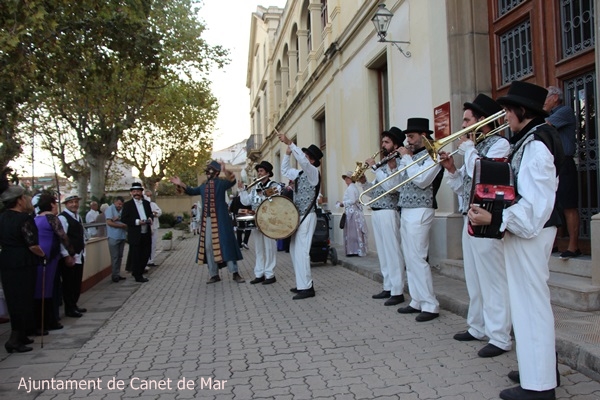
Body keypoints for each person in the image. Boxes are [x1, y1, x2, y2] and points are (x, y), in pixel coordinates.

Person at [469, 81, 564, 400]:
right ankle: (538, 369)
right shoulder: (529, 140)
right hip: (526, 231)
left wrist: (496, 219)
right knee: (527, 302)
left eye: (509, 109)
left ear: (523, 111)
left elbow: (536, 207)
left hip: (532, 231)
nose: (505, 115)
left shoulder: (537, 144)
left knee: (530, 303)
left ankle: (540, 387)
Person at [439, 94, 512, 358]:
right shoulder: (476, 147)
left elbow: (482, 173)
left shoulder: (499, 144)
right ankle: (478, 326)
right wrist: (451, 171)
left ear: (482, 121)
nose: (462, 126)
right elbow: (466, 187)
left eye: (467, 121)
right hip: (469, 216)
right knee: (474, 278)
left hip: (489, 220)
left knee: (493, 280)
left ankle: (500, 337)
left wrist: (469, 150)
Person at [395, 118, 443, 322]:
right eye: (407, 137)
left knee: (418, 257)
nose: (408, 141)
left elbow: (422, 180)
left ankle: (430, 304)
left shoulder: (434, 155)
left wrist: (406, 159)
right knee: (409, 257)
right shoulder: (412, 157)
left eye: (412, 137)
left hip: (421, 209)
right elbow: (400, 183)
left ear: (424, 136)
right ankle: (417, 300)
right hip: (406, 208)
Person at [170, 161, 245, 284]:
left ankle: (235, 273)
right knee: (209, 247)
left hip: (222, 219)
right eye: (207, 170)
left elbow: (232, 181)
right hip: (207, 220)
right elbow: (191, 190)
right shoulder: (203, 186)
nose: (207, 173)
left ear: (215, 172)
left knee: (227, 244)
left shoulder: (221, 183)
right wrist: (180, 183)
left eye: (210, 170)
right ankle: (214, 274)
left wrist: (225, 170)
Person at [360, 128, 406, 307]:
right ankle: (388, 285)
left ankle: (398, 290)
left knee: (393, 251)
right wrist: (364, 182)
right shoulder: (386, 163)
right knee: (384, 252)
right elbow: (375, 191)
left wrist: (374, 167)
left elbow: (392, 186)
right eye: (383, 142)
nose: (383, 145)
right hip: (377, 210)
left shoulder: (399, 161)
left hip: (389, 211)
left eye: (387, 142)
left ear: (395, 144)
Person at [0, 173, 45, 353]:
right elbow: (32, 244)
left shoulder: (1, 218)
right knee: (23, 299)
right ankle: (14, 339)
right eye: (25, 197)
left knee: (14, 299)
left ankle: (22, 335)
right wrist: (43, 254)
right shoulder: (24, 219)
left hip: (6, 261)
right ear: (19, 201)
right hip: (22, 262)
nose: (27, 200)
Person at [277, 131, 323, 300]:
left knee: (302, 251)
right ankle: (301, 283)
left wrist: (290, 142)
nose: (303, 157)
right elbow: (285, 170)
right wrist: (287, 154)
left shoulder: (312, 172)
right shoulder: (300, 174)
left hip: (307, 215)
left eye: (306, 155)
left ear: (311, 160)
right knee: (295, 250)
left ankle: (307, 287)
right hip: (298, 217)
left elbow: (302, 161)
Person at [544, 85, 580, 259]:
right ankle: (555, 243)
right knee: (554, 205)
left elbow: (545, 126)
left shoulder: (564, 111)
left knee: (568, 205)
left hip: (565, 163)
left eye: (546, 98)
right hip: (553, 164)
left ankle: (573, 246)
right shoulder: (549, 114)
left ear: (555, 98)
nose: (544, 102)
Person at [32, 193, 73, 332]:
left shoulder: (36, 218)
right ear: (51, 204)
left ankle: (41, 322)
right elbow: (63, 236)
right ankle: (48, 322)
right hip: (48, 256)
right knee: (47, 289)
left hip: (38, 256)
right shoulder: (51, 218)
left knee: (40, 288)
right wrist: (72, 252)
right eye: (55, 203)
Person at [239, 161, 279, 285]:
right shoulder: (255, 187)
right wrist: (242, 190)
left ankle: (270, 274)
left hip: (269, 221)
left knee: (269, 247)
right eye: (258, 171)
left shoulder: (274, 185)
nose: (259, 173)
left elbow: (275, 200)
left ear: (267, 172)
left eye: (261, 171)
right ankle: (259, 273)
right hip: (257, 221)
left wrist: (263, 194)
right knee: (259, 248)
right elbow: (246, 202)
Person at [58, 192, 88, 318]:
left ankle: (74, 305)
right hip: (70, 255)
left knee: (76, 282)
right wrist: (66, 255)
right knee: (69, 283)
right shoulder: (63, 218)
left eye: (76, 202)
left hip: (79, 254)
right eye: (71, 202)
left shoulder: (78, 217)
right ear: (66, 204)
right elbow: (62, 238)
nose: (74, 204)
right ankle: (69, 308)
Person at [121, 183, 154, 283]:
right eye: (134, 191)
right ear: (131, 193)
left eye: (138, 191)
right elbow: (124, 219)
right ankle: (137, 275)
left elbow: (150, 214)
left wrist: (150, 218)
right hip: (135, 234)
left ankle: (140, 270)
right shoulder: (127, 205)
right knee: (136, 255)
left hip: (146, 233)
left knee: (146, 253)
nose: (136, 193)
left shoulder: (146, 203)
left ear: (141, 192)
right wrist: (137, 222)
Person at [339, 171, 368, 257]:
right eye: (345, 178)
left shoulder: (351, 188)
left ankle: (354, 250)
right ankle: (355, 249)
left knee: (353, 232)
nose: (346, 180)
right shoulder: (352, 188)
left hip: (353, 214)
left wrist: (343, 203)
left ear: (351, 179)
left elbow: (352, 200)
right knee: (354, 231)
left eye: (347, 178)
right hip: (352, 212)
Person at [105, 196, 128, 283]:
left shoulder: (122, 210)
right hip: (113, 236)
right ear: (114, 202)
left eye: (121, 204)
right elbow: (109, 222)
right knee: (115, 256)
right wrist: (121, 225)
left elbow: (124, 219)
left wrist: (118, 219)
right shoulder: (110, 209)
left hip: (122, 236)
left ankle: (118, 273)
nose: (120, 206)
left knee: (120, 256)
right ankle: (114, 275)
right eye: (118, 204)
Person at [144, 189, 162, 267]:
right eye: (147, 195)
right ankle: (146, 260)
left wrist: (155, 213)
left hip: (154, 226)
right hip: (146, 227)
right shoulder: (142, 205)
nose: (149, 197)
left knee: (153, 244)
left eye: (150, 195)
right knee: (146, 244)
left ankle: (151, 260)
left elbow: (159, 211)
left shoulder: (153, 204)